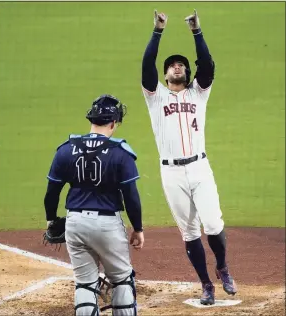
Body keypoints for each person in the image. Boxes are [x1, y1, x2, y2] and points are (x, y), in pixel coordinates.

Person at [141, 9, 237, 305]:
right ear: (166, 73)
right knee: (189, 232)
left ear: (188, 72)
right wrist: (158, 30)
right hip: (171, 174)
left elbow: (207, 65)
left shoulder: (198, 93)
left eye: (181, 64)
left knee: (214, 224)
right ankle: (206, 284)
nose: (177, 67)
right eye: (172, 65)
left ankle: (222, 267)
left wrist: (197, 31)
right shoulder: (155, 97)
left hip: (199, 168)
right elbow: (147, 65)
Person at [44, 94, 144, 315]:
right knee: (121, 281)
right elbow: (131, 197)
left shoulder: (66, 149)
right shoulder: (121, 152)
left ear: (91, 120)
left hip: (75, 223)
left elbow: (52, 192)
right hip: (108, 225)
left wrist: (51, 219)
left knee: (85, 284)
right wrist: (137, 228)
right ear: (113, 123)